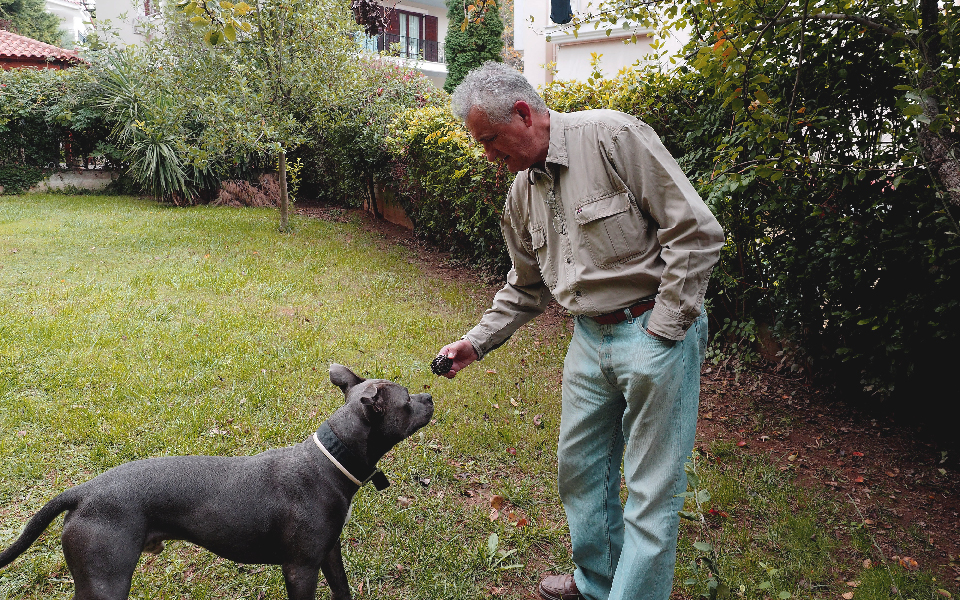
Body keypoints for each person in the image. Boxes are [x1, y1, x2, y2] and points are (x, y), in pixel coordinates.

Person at [435, 61, 725, 600]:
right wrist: (475, 342)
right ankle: (597, 584)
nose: (488, 156)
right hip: (588, 342)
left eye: (491, 140)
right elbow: (524, 288)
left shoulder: (613, 136)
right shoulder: (522, 194)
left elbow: (696, 231)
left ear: (524, 113)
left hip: (654, 334)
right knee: (581, 473)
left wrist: (662, 332)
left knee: (650, 493)